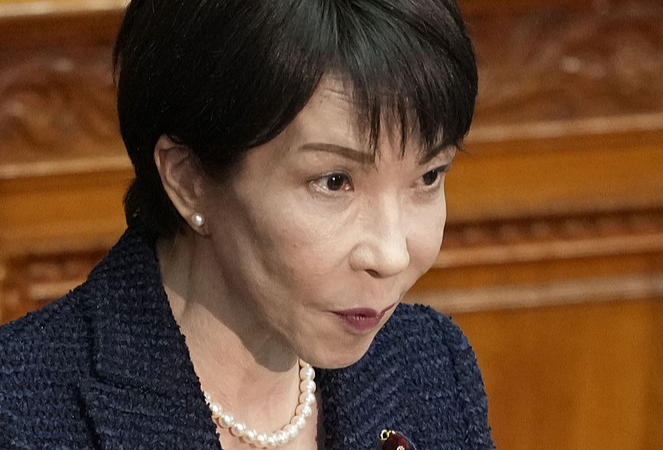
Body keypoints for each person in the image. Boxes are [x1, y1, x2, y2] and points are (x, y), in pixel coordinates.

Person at [0, 0, 493, 449]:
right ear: (189, 178)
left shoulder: (430, 367)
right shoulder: (21, 412)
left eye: (429, 175)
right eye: (335, 181)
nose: (392, 254)